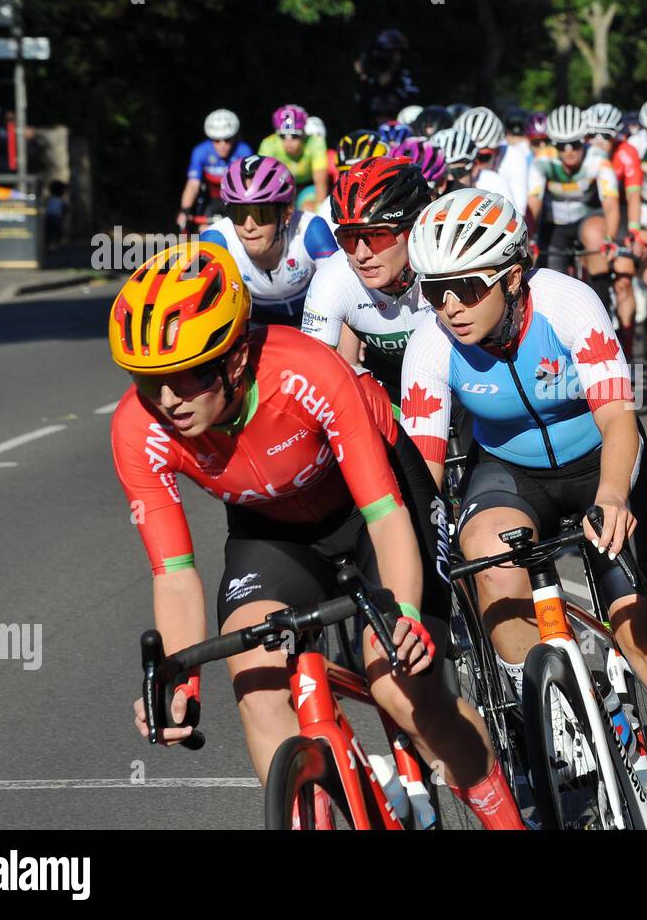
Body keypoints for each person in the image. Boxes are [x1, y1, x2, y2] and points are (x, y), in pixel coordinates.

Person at [110, 241, 524, 829]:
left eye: (188, 375)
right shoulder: (138, 427)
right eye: (150, 381)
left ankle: (508, 821)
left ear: (232, 359)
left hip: (375, 504)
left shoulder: (306, 371)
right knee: (256, 680)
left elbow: (384, 516)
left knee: (401, 686)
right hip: (271, 529)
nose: (169, 400)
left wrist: (403, 614)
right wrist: (181, 681)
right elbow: (173, 573)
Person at [399, 188, 647, 829]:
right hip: (509, 473)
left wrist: (613, 496)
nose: (450, 307)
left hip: (602, 464)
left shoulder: (567, 303)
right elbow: (421, 471)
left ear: (511, 277)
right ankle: (544, 709)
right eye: (434, 290)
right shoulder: (431, 344)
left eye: (468, 288)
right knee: (486, 561)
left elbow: (618, 414)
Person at [302, 157, 437, 407]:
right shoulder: (333, 279)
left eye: (377, 236)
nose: (361, 255)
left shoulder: (446, 263)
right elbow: (311, 384)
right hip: (389, 385)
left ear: (415, 228)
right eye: (349, 238)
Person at [200, 156, 339, 327]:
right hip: (254, 321)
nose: (248, 226)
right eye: (238, 213)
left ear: (287, 212)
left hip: (313, 314)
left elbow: (341, 293)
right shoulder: (216, 240)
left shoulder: (310, 230)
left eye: (261, 213)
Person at [527, 106, 620, 292]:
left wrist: (610, 239)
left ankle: (603, 305)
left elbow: (610, 203)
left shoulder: (597, 159)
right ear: (553, 144)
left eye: (575, 144)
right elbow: (533, 203)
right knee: (553, 279)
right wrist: (529, 239)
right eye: (562, 145)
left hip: (586, 219)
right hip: (553, 224)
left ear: (584, 140)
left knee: (596, 242)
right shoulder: (543, 160)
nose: (569, 151)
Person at [586, 102, 646, 359]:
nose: (599, 142)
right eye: (592, 135)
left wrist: (633, 231)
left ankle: (629, 348)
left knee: (623, 278)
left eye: (607, 136)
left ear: (618, 136)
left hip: (618, 212)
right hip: (590, 213)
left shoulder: (626, 153)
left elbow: (633, 197)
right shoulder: (581, 154)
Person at [178, 109, 251, 232]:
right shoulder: (200, 151)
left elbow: (249, 184)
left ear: (234, 137)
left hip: (235, 198)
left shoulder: (244, 151)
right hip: (210, 200)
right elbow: (193, 184)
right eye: (216, 140)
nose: (222, 144)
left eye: (227, 139)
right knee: (203, 230)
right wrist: (185, 210)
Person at [258, 104, 329, 206]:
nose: (289, 141)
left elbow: (320, 183)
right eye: (282, 136)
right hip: (280, 186)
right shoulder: (269, 144)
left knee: (309, 207)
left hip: (307, 186)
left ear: (304, 133)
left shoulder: (315, 142)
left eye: (295, 136)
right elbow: (262, 180)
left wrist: (320, 208)